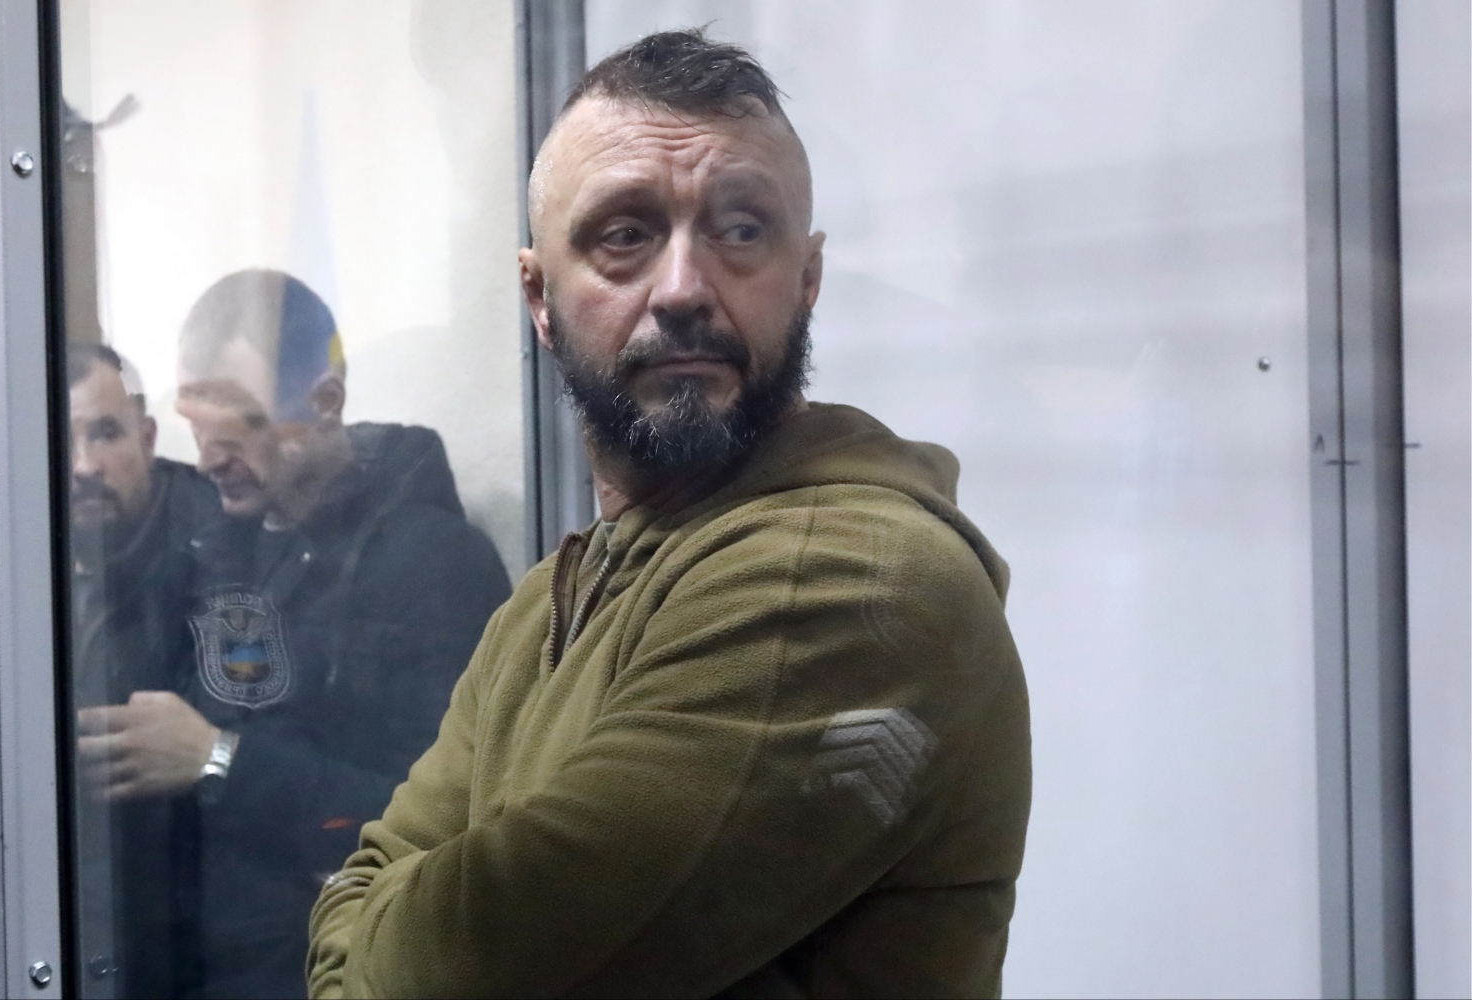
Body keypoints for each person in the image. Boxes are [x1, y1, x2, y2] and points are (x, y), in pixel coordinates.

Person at [309, 29, 1031, 999]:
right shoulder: (550, 601)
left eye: (742, 231)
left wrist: (374, 930)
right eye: (624, 235)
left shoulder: (852, 581)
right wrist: (370, 927)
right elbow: (357, 893)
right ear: (539, 295)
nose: (686, 288)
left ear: (807, 281)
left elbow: (449, 974)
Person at [80, 269, 512, 999]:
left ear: (326, 403)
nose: (209, 457)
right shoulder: (221, 550)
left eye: (242, 425)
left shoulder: (432, 566)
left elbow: (446, 823)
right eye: (198, 426)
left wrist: (217, 760)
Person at [68, 343, 222, 998]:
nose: (83, 466)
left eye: (105, 433)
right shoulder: (18, 564)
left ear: (149, 438)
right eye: (62, 439)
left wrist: (214, 757)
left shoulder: (220, 560)